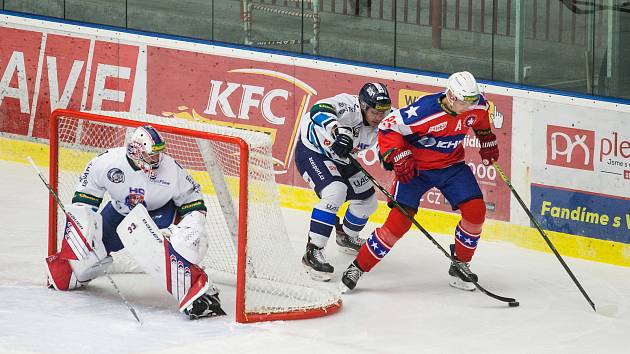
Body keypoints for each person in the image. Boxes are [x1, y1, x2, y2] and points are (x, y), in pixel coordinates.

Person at [340, 71, 500, 292]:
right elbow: (387, 127)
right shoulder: (424, 112)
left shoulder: (476, 105)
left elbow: (480, 119)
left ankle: (461, 265)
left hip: (452, 166)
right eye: (465, 101)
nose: (470, 106)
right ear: (451, 97)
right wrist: (397, 154)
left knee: (476, 211)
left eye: (473, 100)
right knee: (397, 225)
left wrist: (486, 138)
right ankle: (358, 267)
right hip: (415, 171)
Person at [45, 125, 226, 319]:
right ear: (136, 152)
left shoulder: (171, 169)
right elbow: (85, 196)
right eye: (152, 155)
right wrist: (82, 228)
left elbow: (192, 200)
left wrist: (191, 227)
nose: (158, 159)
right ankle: (74, 271)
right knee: (66, 273)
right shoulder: (106, 163)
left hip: (160, 213)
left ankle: (199, 291)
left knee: (150, 247)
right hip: (119, 212)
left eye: (159, 154)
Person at [294, 82, 392, 281]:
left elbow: (405, 128)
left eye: (383, 112)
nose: (379, 117)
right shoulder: (348, 105)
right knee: (335, 191)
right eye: (375, 112)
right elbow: (318, 109)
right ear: (363, 106)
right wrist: (337, 130)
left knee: (368, 201)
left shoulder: (387, 117)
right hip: (313, 151)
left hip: (344, 157)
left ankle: (346, 236)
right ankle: (312, 252)